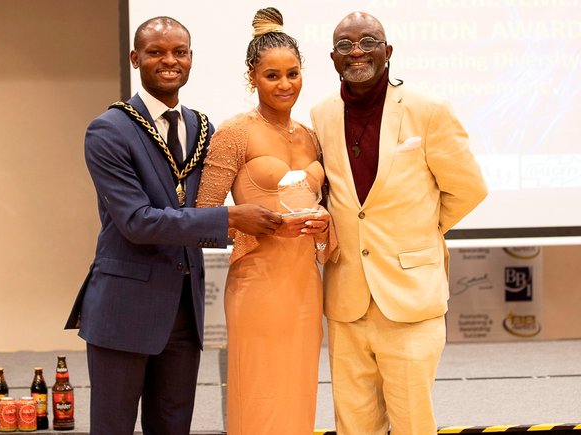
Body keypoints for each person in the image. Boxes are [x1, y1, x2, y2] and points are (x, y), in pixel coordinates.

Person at [64, 16, 281, 435]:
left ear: (190, 59)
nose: (169, 61)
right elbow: (137, 222)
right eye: (156, 52)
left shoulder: (203, 127)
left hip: (184, 310)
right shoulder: (109, 130)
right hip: (123, 308)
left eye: (179, 52)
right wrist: (231, 219)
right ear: (135, 58)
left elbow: (203, 206)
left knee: (174, 427)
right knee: (113, 428)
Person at [310, 11, 488, 435]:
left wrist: (421, 231)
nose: (357, 52)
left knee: (412, 423)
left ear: (387, 52)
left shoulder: (429, 110)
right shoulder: (321, 115)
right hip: (346, 299)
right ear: (333, 58)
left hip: (410, 298)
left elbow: (468, 189)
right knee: (353, 424)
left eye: (368, 42)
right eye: (346, 45)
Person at [196, 7, 335, 435]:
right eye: (272, 75)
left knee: (299, 390)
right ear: (252, 78)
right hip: (257, 281)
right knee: (258, 392)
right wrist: (255, 223)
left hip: (305, 282)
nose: (284, 84)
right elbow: (202, 216)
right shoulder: (234, 132)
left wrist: (323, 222)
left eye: (292, 74)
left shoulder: (311, 134)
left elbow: (326, 202)